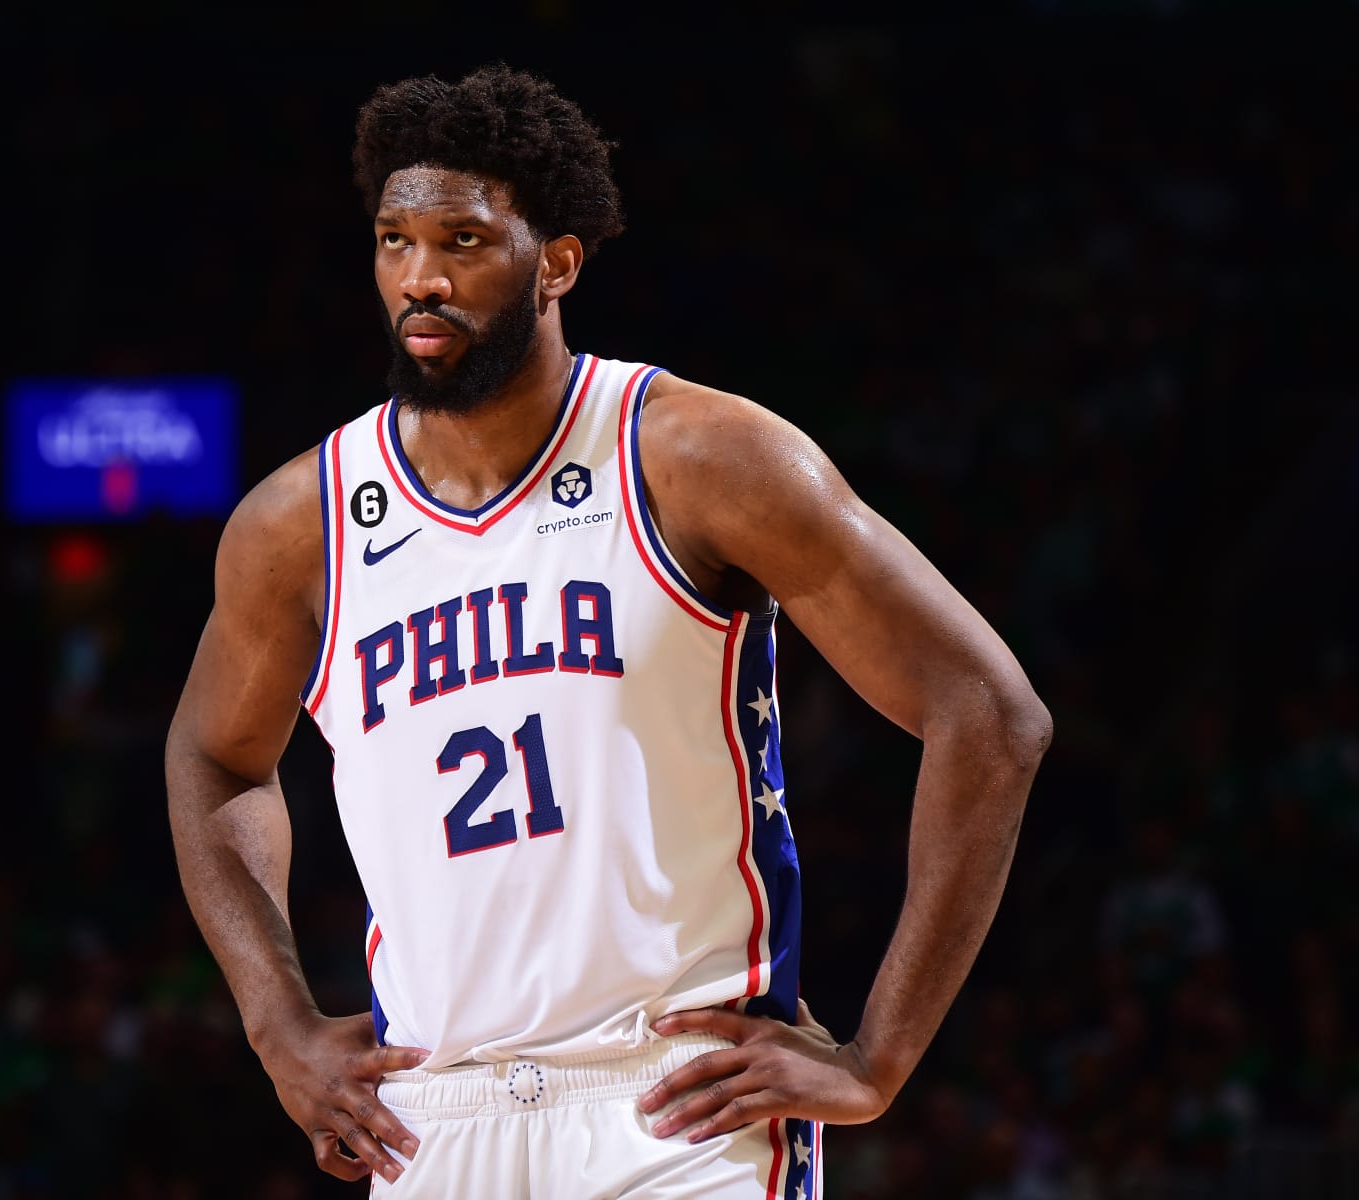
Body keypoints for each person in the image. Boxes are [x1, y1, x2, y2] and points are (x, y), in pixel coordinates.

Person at [165, 65, 1052, 1198]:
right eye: (393, 241)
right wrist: (275, 1022)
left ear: (559, 262)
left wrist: (880, 1057)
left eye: (464, 242)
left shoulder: (694, 456)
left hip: (676, 1104)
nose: (420, 278)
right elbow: (212, 756)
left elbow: (989, 712)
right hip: (431, 1114)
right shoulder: (304, 523)